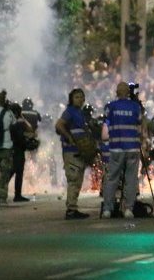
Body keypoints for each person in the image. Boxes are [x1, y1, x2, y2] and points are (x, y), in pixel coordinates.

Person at [100, 82, 146, 219]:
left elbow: (106, 122)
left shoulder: (110, 107)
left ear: (116, 92)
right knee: (131, 179)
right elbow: (140, 125)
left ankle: (107, 209)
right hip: (132, 147)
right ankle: (128, 209)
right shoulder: (135, 107)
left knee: (112, 178)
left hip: (116, 148)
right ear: (128, 92)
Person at [55, 88, 95, 220]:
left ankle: (73, 208)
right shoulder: (70, 111)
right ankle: (71, 210)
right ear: (71, 99)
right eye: (76, 97)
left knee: (77, 180)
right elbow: (59, 125)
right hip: (71, 151)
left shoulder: (80, 113)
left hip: (79, 151)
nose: (80, 99)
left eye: (81, 97)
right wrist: (69, 137)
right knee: (74, 180)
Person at [13, 97, 41, 202]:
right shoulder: (35, 113)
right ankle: (33, 181)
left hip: (19, 142)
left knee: (15, 167)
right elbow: (38, 125)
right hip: (30, 139)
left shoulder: (20, 115)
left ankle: (3, 187)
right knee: (33, 161)